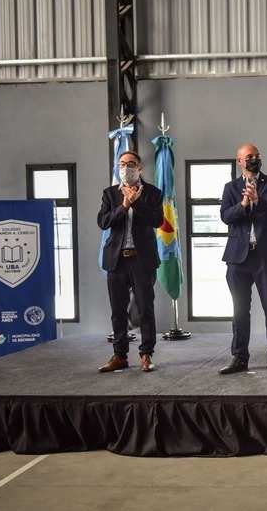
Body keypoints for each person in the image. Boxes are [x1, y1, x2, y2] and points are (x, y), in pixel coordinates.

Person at [218, 143, 267, 376]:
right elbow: (225, 216)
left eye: (257, 155)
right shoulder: (231, 188)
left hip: (266, 255)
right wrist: (242, 204)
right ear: (239, 161)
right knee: (239, 311)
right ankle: (239, 358)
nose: (254, 159)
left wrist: (259, 200)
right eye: (249, 156)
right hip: (238, 258)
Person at [97, 150, 164, 373]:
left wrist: (136, 203)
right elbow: (103, 222)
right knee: (118, 311)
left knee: (145, 309)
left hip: (142, 260)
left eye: (131, 164)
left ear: (140, 168)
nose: (126, 168)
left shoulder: (153, 193)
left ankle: (146, 354)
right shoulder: (110, 193)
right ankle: (120, 355)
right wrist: (124, 205)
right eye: (122, 164)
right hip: (116, 260)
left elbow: (157, 220)